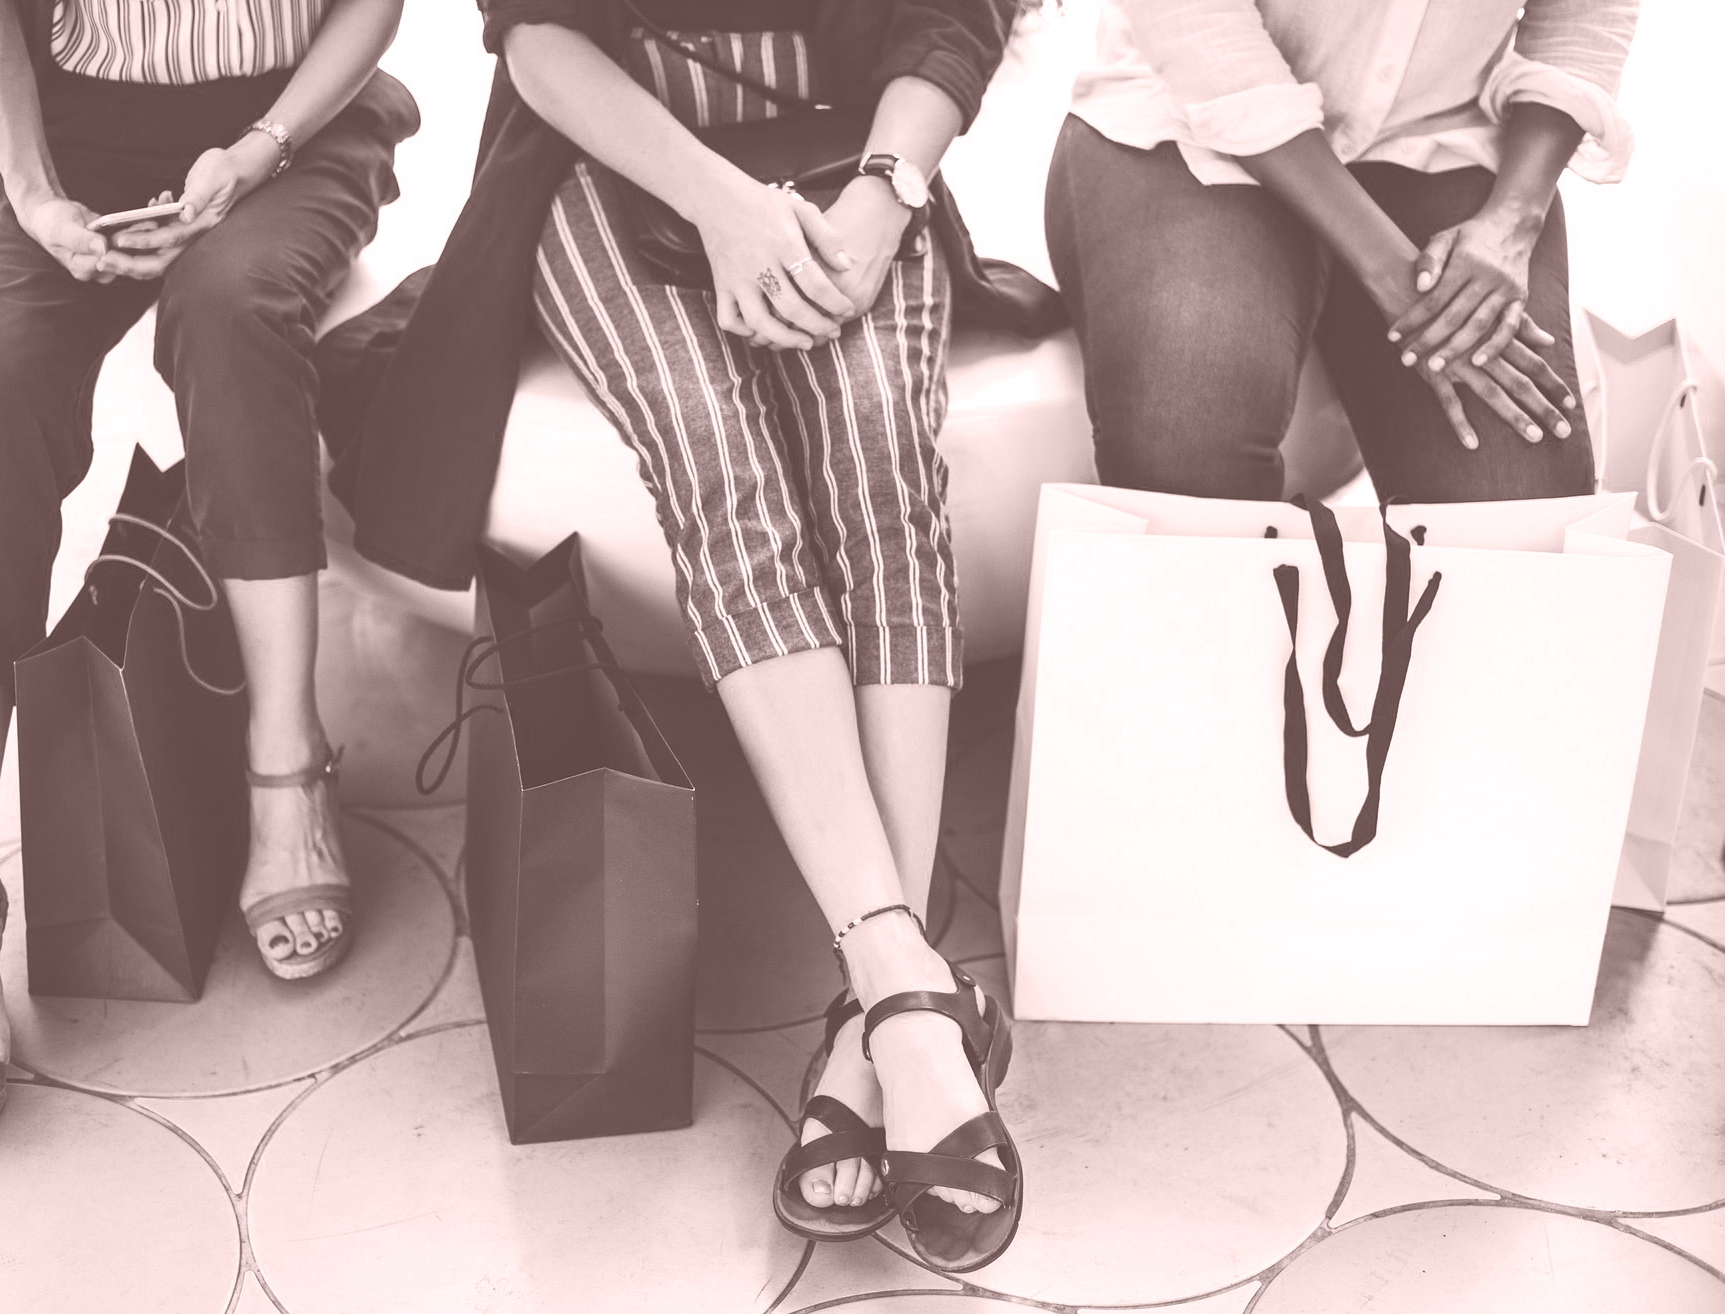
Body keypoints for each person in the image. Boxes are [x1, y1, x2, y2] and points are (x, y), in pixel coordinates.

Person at [345, 0, 1029, 1274]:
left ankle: (878, 1013)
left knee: (884, 457)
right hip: (609, 160)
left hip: (862, 153)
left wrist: (889, 192)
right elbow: (534, 32)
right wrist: (722, 204)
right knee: (719, 464)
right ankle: (910, 991)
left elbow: (954, 17)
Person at [0, 0, 413, 1143]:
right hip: (71, 134)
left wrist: (261, 148)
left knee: (231, 314)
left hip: (297, 125)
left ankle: (289, 769)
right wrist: (32, 195)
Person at [1045, 0, 1638, 502]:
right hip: (1187, 118)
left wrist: (1513, 218)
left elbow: (1586, 12)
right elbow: (1197, 23)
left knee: (1516, 503)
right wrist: (1393, 270)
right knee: (1187, 446)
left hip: (1438, 135)